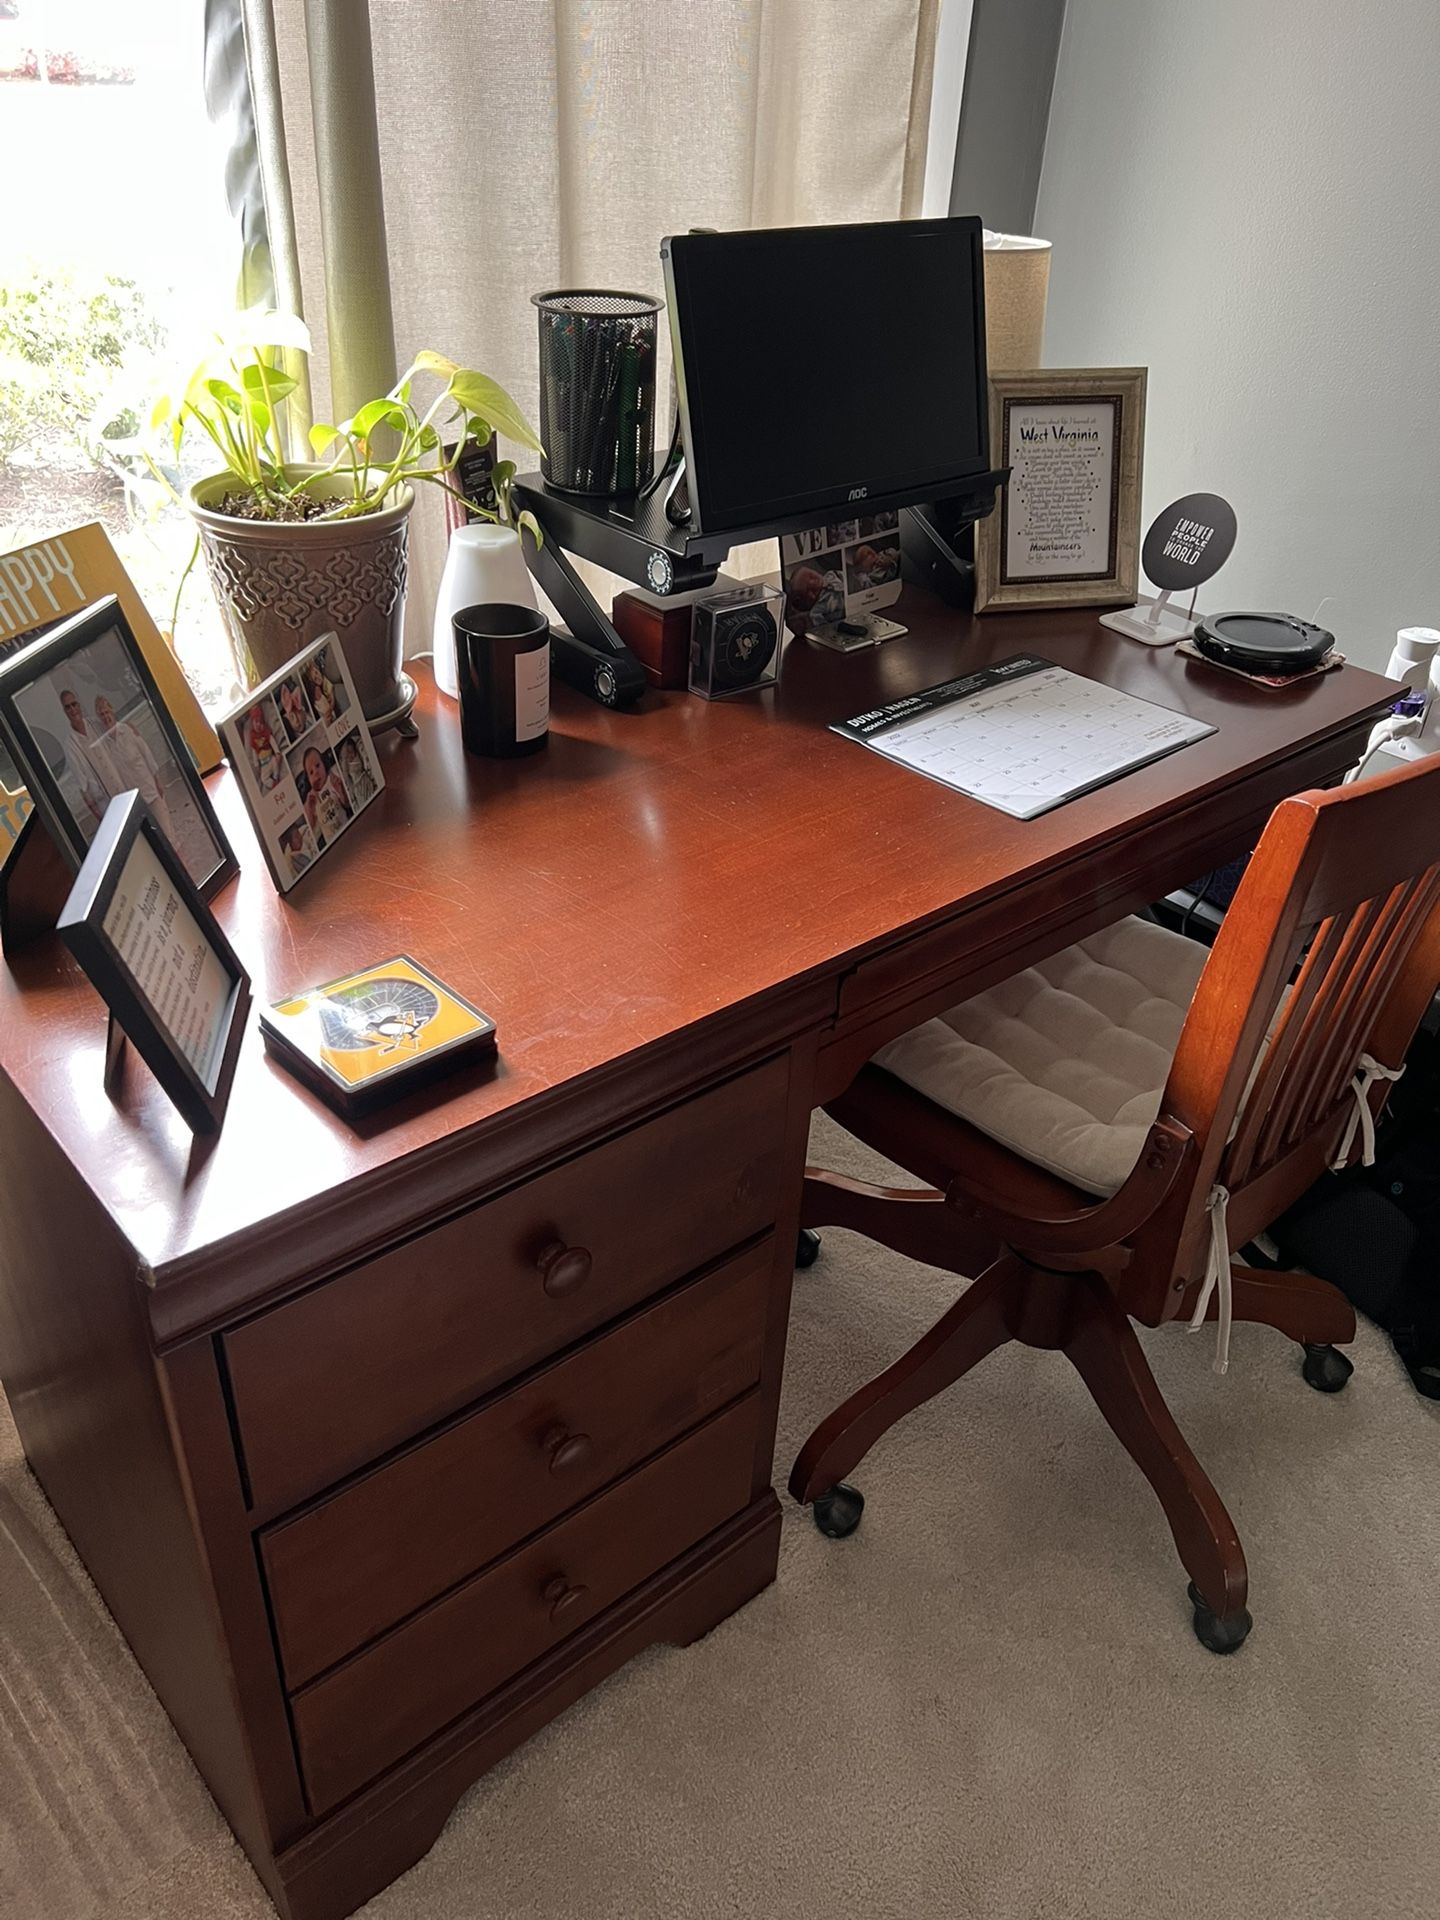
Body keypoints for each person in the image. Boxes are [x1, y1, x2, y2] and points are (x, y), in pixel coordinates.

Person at [93, 694, 177, 840]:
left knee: (168, 833)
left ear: (112, 711)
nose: (105, 717)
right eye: (101, 714)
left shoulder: (128, 730)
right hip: (135, 799)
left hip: (149, 788)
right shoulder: (104, 745)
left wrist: (157, 780)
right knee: (154, 838)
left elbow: (147, 754)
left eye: (107, 712)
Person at [57, 686, 113, 828]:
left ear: (79, 705)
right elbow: (82, 784)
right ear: (64, 711)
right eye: (68, 707)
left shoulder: (96, 724)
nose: (73, 709)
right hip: (103, 801)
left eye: (74, 704)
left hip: (119, 783)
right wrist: (98, 815)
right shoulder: (70, 745)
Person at [301, 745, 352, 844]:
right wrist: (310, 811)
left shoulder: (332, 780)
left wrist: (340, 790)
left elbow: (347, 804)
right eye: (311, 772)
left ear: (324, 764)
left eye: (318, 766)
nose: (316, 772)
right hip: (331, 842)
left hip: (346, 828)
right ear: (308, 780)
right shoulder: (311, 798)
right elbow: (312, 831)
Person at [337, 734, 376, 807]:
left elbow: (361, 764)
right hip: (357, 788)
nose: (351, 757)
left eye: (352, 753)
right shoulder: (346, 768)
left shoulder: (358, 759)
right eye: (347, 755)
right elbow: (346, 775)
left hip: (365, 780)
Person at [304, 657, 338, 724]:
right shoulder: (318, 689)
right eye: (315, 679)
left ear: (319, 670)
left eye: (316, 673)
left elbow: (332, 698)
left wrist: (330, 708)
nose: (318, 678)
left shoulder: (326, 682)